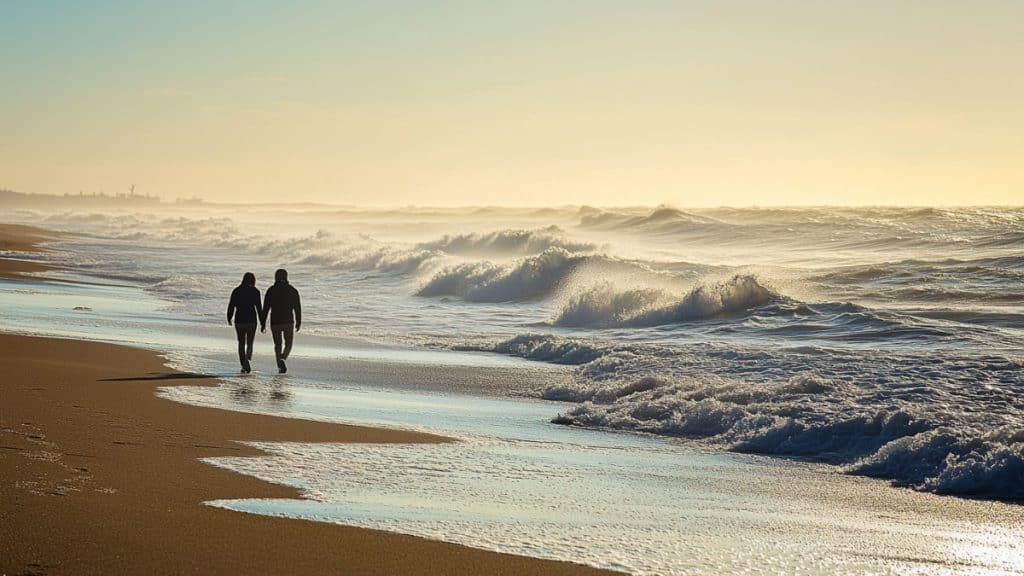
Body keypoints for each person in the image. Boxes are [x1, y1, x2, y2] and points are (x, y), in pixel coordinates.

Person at [261, 268, 302, 374]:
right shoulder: (292, 290)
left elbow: (266, 307)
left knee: (277, 344)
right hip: (288, 321)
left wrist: (263, 323)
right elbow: (297, 307)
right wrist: (298, 321)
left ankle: (280, 365)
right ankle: (283, 358)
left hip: (275, 321)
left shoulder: (271, 290)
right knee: (288, 343)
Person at [227, 272, 262, 374]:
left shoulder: (236, 291)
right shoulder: (255, 291)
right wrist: (262, 321)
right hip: (251, 320)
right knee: (250, 342)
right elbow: (259, 308)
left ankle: (243, 363)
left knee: (241, 342)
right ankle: (247, 360)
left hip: (239, 320)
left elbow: (231, 305)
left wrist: (229, 317)